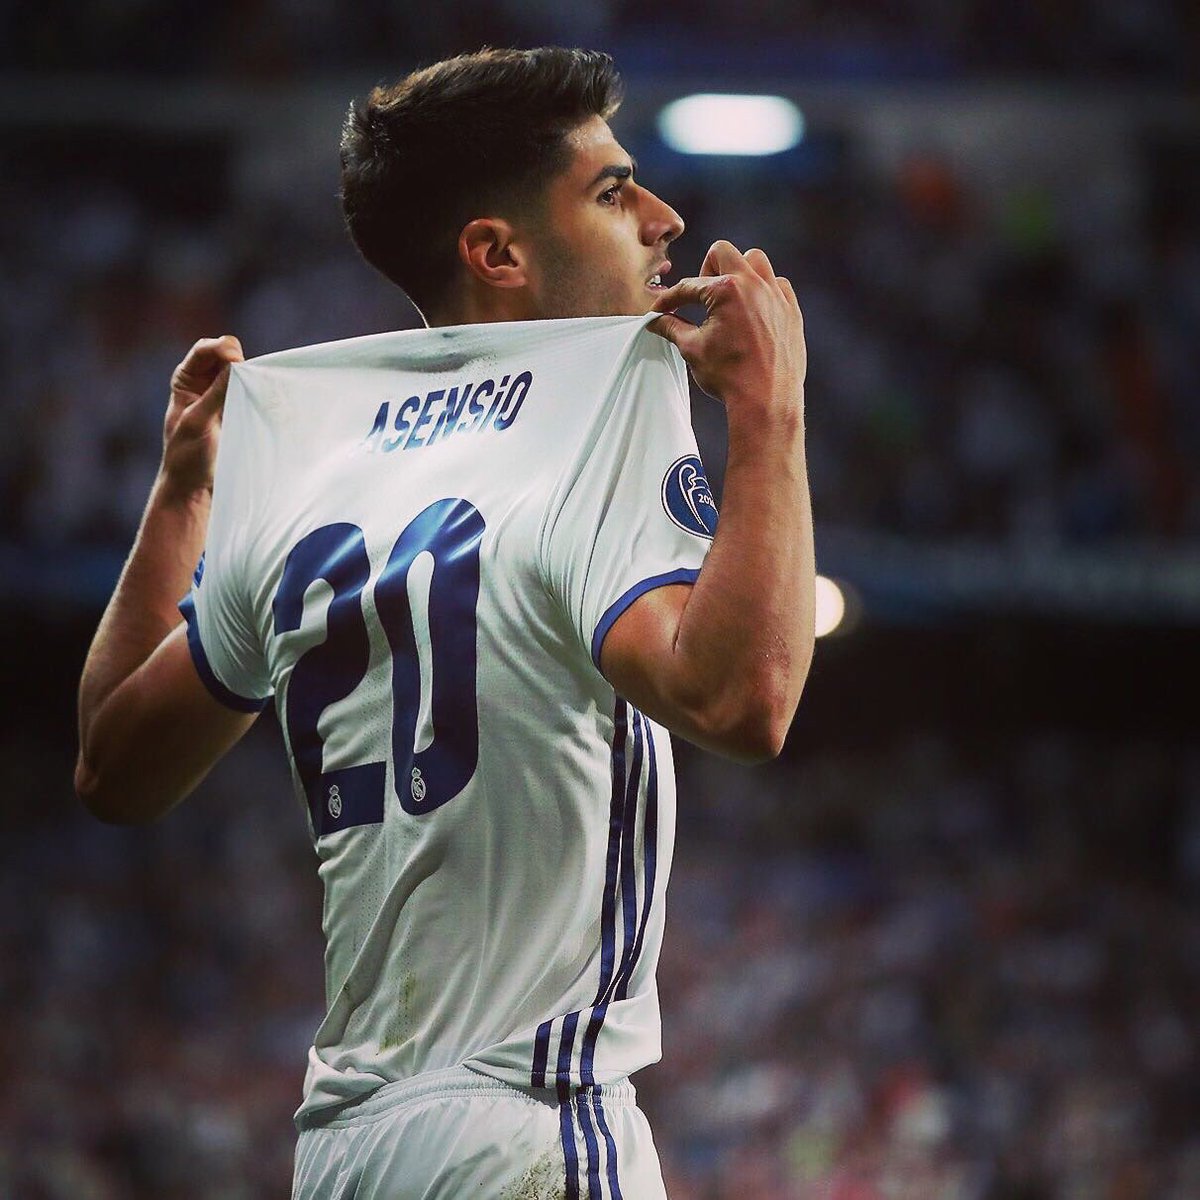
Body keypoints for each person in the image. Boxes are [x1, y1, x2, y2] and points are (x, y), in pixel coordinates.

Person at [75, 46, 814, 1200]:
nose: (665, 219)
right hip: (527, 1127)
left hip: (343, 1146)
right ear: (497, 252)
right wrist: (770, 412)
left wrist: (181, 497)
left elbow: (113, 765)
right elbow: (740, 700)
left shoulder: (317, 463)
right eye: (613, 192)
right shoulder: (596, 413)